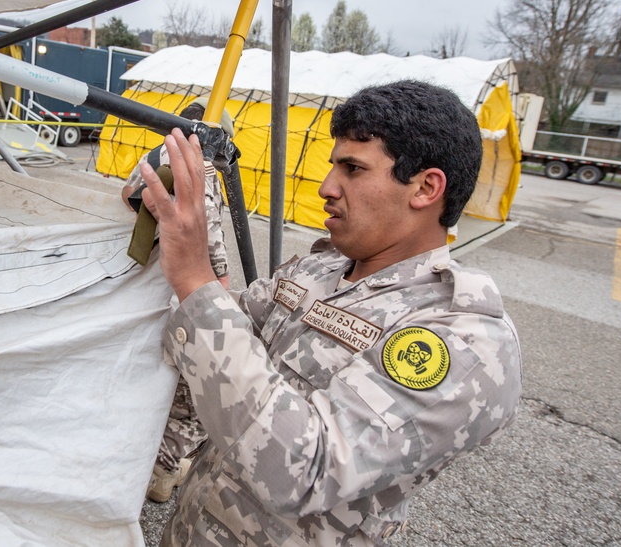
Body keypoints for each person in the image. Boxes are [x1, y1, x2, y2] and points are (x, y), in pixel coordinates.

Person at [138, 80, 522, 546]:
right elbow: (216, 336)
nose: (325, 187)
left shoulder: (465, 337)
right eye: (333, 166)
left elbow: (303, 469)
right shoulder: (319, 270)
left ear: (425, 187)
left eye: (354, 169)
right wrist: (181, 219)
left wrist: (195, 276)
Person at [121, 98, 233, 503]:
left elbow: (126, 193)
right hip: (177, 286)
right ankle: (162, 472)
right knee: (189, 387)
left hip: (138, 282)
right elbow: (211, 248)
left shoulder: (157, 155)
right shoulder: (201, 172)